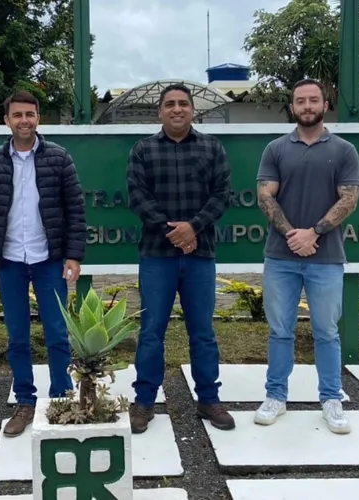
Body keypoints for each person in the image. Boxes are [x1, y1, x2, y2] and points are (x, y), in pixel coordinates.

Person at [0, 90, 87, 437]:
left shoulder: (59, 158)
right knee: (17, 336)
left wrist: (74, 254)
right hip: (9, 262)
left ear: (39, 118)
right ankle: (24, 401)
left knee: (57, 335)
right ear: (7, 120)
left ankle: (61, 399)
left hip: (48, 260)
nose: (24, 120)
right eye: (17, 115)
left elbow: (76, 209)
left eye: (30, 114)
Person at [254, 78, 359, 434]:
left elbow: (349, 199)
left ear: (324, 104)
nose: (307, 106)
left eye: (313, 100)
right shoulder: (276, 149)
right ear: (293, 107)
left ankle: (331, 400)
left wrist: (314, 233)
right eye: (300, 100)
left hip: (327, 257)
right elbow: (265, 196)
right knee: (279, 330)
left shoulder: (345, 150)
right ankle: (276, 396)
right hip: (280, 257)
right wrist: (291, 235)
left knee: (326, 332)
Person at [126, 83, 235, 434]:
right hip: (157, 256)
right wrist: (174, 233)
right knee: (151, 332)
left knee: (203, 333)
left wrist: (194, 228)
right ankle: (144, 401)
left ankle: (208, 399)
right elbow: (138, 197)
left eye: (183, 104)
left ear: (192, 110)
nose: (177, 109)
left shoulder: (212, 147)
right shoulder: (142, 150)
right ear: (160, 112)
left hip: (200, 256)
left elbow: (222, 195)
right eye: (170, 104)